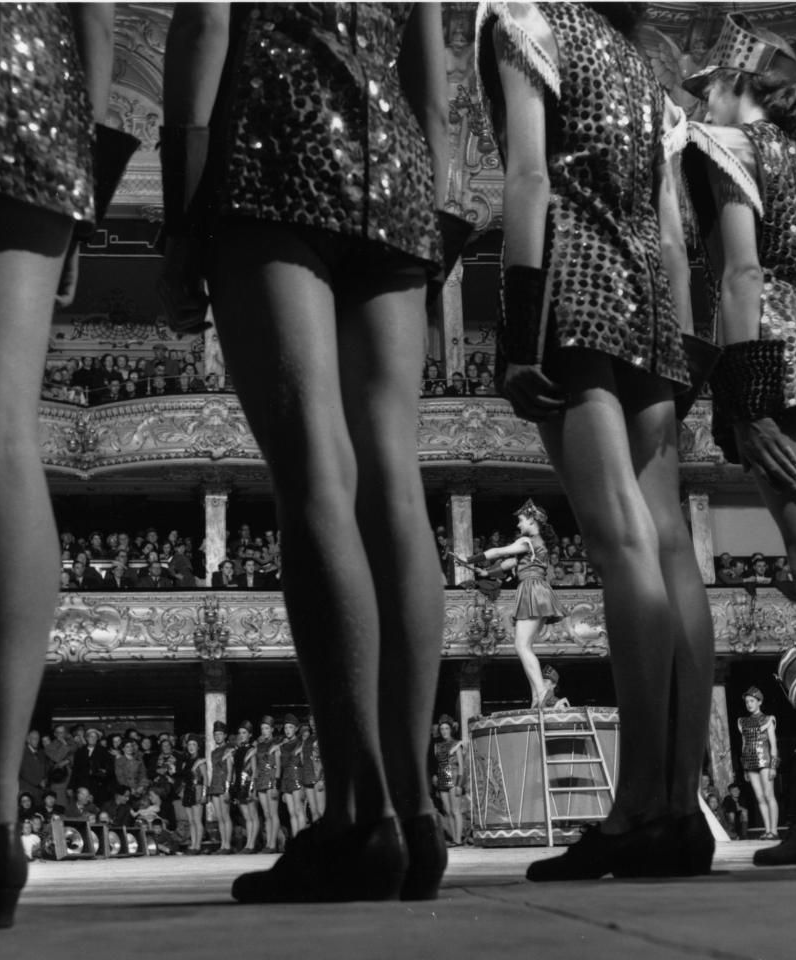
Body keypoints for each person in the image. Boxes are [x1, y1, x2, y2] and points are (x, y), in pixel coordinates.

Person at [160, 1, 464, 902]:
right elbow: (433, 87)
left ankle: (358, 811)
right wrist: (434, 208)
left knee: (315, 475)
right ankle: (412, 812)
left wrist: (180, 224)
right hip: (399, 169)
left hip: (272, 145)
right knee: (394, 482)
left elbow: (205, 27)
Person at [476, 1, 715, 881]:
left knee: (620, 548)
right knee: (670, 549)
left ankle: (635, 810)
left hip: (571, 293)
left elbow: (531, 179)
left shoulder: (526, 22)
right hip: (653, 303)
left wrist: (515, 330)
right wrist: (686, 352)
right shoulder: (645, 69)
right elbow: (669, 225)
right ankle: (681, 809)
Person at [681, 12, 796, 867]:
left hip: (777, 359)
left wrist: (745, 402)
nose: (707, 103)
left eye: (714, 89)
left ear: (741, 88)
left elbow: (739, 273)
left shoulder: (736, 150)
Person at [464, 500, 566, 708]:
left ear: (531, 520)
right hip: (538, 590)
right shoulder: (537, 544)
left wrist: (470, 559)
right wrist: (487, 573)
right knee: (525, 646)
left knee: (521, 645)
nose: (518, 525)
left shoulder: (527, 541)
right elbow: (510, 563)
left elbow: (500, 552)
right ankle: (538, 697)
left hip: (532, 590)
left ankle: (543, 694)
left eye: (520, 521)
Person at [738, 687, 780, 841]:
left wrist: (774, 766)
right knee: (760, 797)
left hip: (765, 761)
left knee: (769, 796)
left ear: (759, 702)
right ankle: (767, 830)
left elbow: (773, 745)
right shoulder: (742, 721)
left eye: (752, 701)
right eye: (747, 701)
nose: (749, 704)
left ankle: (774, 831)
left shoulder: (768, 719)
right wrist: (744, 768)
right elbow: (743, 746)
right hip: (750, 762)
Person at [432, 716, 464, 847]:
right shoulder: (437, 746)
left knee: (455, 810)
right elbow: (439, 764)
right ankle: (453, 838)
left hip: (454, 775)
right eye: (442, 729)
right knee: (447, 810)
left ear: (451, 730)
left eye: (446, 728)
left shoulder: (457, 744)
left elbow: (462, 767)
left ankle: (458, 840)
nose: (444, 731)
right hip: (443, 776)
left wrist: (459, 785)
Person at [253, 716, 282, 854]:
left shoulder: (277, 742)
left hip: (272, 779)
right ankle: (268, 843)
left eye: (266, 728)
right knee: (266, 814)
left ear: (271, 729)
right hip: (261, 780)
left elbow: (278, 766)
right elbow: (257, 765)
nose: (264, 731)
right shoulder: (259, 744)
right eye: (262, 729)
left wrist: (276, 784)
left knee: (273, 813)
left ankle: (273, 843)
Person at [230, 723, 260, 853]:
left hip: (248, 786)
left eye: (244, 733)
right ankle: (248, 844)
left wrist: (252, 789)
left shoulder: (252, 749)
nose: (241, 735)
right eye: (240, 733)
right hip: (239, 786)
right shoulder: (237, 750)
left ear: (250, 735)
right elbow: (236, 771)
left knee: (253, 815)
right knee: (247, 817)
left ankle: (252, 844)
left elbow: (254, 771)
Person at [207, 722, 234, 855]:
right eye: (215, 734)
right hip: (215, 785)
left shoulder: (229, 749)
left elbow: (229, 771)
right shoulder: (213, 752)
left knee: (225, 816)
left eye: (220, 734)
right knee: (219, 817)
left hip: (224, 785)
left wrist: (228, 789)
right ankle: (223, 844)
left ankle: (227, 845)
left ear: (225, 735)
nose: (217, 737)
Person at [178, 736, 207, 854]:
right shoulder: (186, 761)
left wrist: (204, 794)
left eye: (193, 744)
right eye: (189, 744)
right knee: (190, 821)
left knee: (197, 820)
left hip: (197, 790)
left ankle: (198, 845)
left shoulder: (201, 760)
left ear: (198, 746)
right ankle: (193, 844)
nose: (191, 747)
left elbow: (205, 778)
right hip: (188, 791)